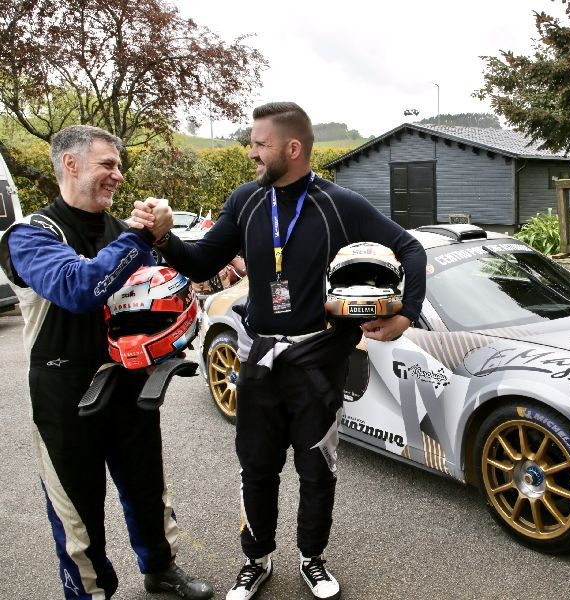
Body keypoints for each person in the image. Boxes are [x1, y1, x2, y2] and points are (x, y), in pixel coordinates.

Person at [132, 101, 426, 600]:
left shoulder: (340, 204)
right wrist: (163, 237)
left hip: (318, 361)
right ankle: (257, 559)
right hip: (259, 358)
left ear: (292, 148)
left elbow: (410, 248)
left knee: (317, 470)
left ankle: (312, 559)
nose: (250, 152)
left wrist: (405, 315)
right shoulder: (246, 200)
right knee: (256, 468)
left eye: (259, 144)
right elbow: (201, 262)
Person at [0, 126, 214, 599]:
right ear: (70, 163)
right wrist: (139, 237)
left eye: (119, 165)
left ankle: (161, 568)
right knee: (77, 509)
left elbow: (162, 297)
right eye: (107, 164)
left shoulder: (121, 231)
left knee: (148, 488)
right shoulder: (29, 235)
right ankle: (91, 592)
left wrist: (169, 338)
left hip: (130, 384)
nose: (118, 175)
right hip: (63, 396)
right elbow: (77, 288)